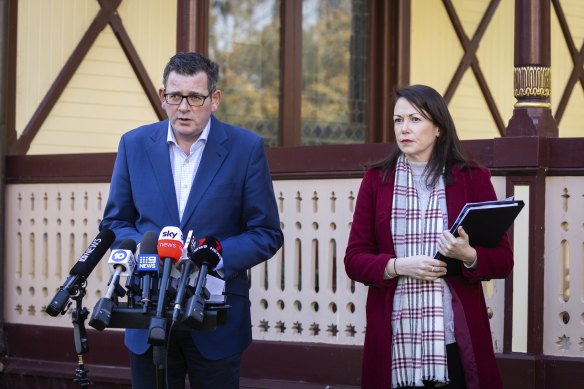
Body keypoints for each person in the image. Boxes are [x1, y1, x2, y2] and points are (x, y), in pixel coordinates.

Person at [100, 52, 283, 389]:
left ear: (214, 100)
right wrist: (148, 252)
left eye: (195, 97)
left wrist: (210, 255)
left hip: (216, 318)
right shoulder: (134, 145)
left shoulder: (246, 149)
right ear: (162, 97)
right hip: (148, 311)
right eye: (175, 96)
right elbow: (115, 223)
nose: (183, 107)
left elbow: (266, 233)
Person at [344, 84, 513, 389]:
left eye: (415, 119)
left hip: (453, 338)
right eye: (398, 120)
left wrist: (468, 255)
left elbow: (503, 260)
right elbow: (354, 259)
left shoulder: (472, 177)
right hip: (395, 338)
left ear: (438, 127)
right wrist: (398, 266)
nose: (404, 128)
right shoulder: (376, 180)